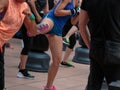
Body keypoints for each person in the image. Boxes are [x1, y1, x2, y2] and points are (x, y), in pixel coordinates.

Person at [35, 0, 80, 89]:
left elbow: (73, 22)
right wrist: (73, 11)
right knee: (46, 25)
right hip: (51, 19)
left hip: (58, 29)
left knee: (57, 61)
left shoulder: (79, 3)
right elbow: (57, 12)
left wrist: (79, 13)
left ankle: (49, 87)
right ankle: (35, 29)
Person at [79, 0, 120, 90]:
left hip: (96, 47)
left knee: (93, 85)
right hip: (116, 48)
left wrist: (90, 45)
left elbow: (81, 24)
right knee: (115, 85)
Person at [0, 0, 37, 89]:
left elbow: (33, 32)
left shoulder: (25, 6)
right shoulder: (6, 1)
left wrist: (31, 17)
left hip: (2, 42)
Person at [17, 0, 49, 79]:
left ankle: (22, 68)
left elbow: (46, 11)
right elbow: (31, 2)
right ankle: (22, 70)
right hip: (28, 17)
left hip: (34, 20)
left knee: (29, 44)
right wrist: (36, 15)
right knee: (28, 44)